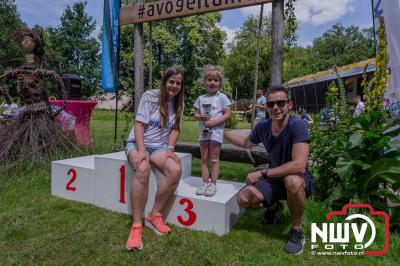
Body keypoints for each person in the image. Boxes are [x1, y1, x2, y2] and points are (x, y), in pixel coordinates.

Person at [224, 86, 313, 255]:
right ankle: (274, 207)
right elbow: (245, 143)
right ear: (266, 106)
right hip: (274, 179)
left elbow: (299, 165)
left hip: (297, 178)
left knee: (292, 181)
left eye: (281, 103)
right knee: (243, 199)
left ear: (290, 105)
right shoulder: (263, 127)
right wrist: (222, 132)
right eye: (271, 104)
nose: (276, 108)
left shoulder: (298, 125)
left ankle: (296, 231)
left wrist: (262, 173)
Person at [125, 66, 184, 251]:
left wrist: (170, 149)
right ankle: (136, 226)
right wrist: (142, 151)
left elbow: (175, 129)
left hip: (159, 147)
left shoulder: (179, 101)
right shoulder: (150, 96)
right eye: (171, 81)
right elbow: (139, 124)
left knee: (175, 171)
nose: (174, 86)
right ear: (164, 81)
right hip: (138, 141)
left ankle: (154, 215)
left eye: (178, 83)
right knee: (142, 169)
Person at [194, 65, 231, 197]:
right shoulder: (200, 98)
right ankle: (205, 182)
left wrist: (215, 122)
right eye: (209, 79)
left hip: (216, 132)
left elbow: (227, 114)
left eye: (215, 80)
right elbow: (196, 114)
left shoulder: (222, 97)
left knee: (214, 159)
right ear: (204, 82)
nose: (212, 83)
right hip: (204, 131)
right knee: (204, 158)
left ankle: (213, 184)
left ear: (220, 82)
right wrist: (200, 117)